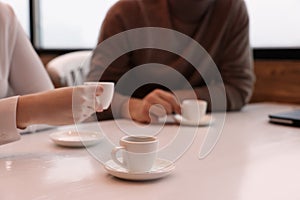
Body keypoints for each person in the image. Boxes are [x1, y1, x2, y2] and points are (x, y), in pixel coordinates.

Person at [87, 0, 255, 123]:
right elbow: (93, 95)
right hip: (131, 138)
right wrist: (133, 107)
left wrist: (174, 100)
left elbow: (238, 88)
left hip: (197, 134)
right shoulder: (126, 12)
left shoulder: (231, 9)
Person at [0, 2, 103, 145]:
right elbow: (44, 111)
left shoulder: (4, 15)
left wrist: (36, 110)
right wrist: (23, 112)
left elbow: (51, 114)